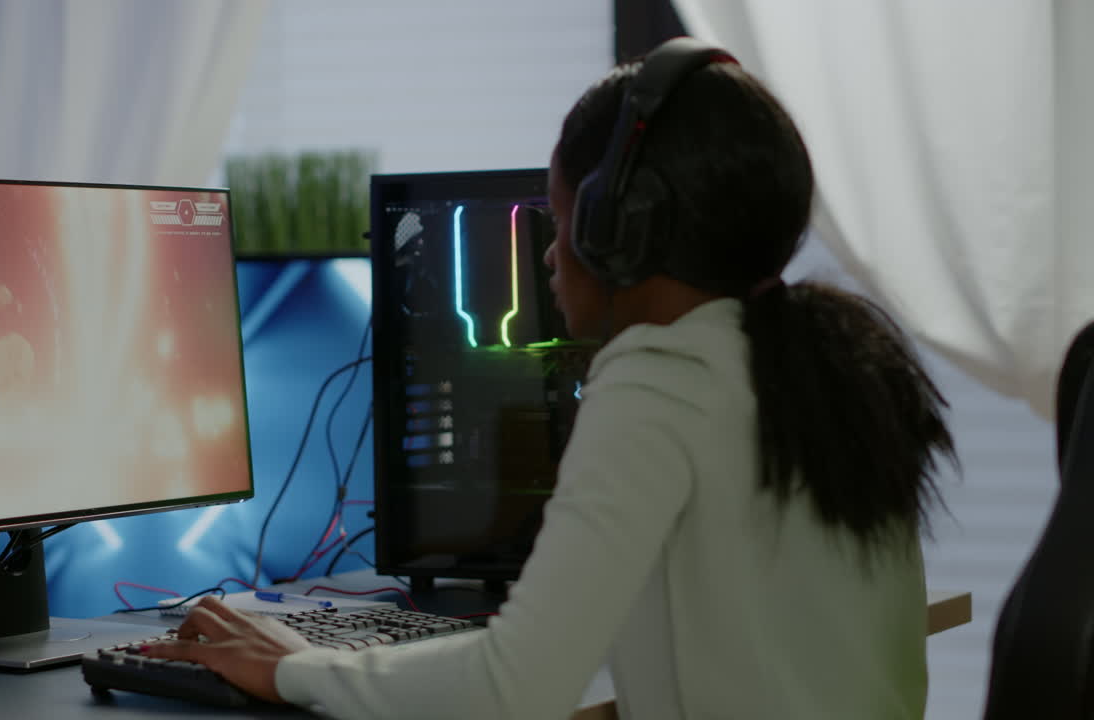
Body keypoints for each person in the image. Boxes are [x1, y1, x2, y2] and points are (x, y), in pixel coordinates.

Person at [145, 37, 956, 719]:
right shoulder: (828, 365)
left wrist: (293, 668)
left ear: (616, 233)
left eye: (561, 221)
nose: (548, 254)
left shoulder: (658, 380)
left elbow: (513, 688)